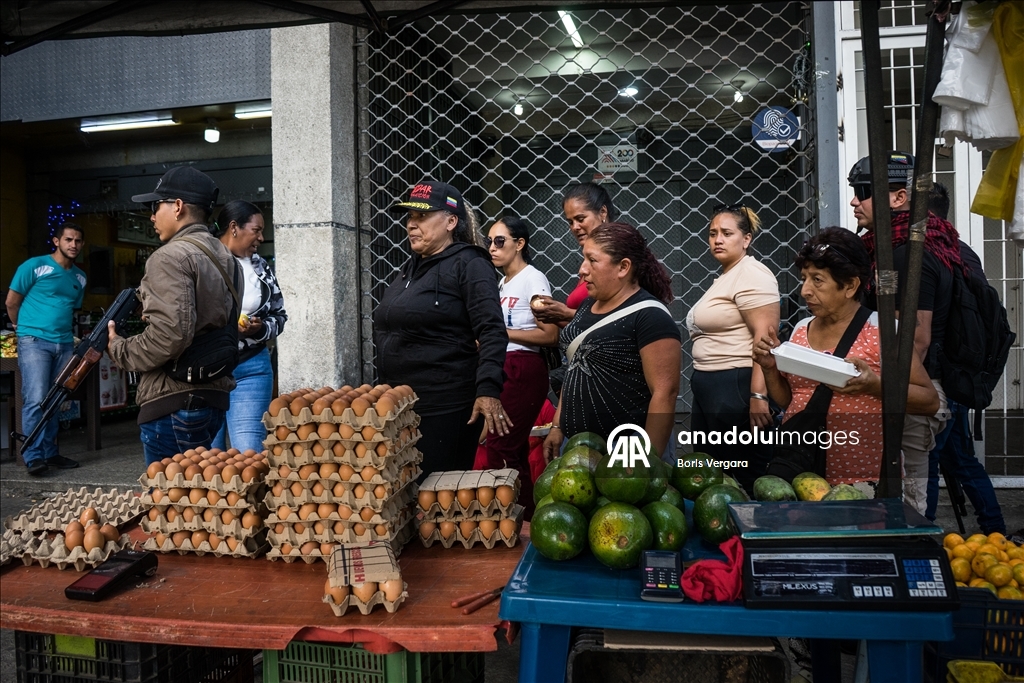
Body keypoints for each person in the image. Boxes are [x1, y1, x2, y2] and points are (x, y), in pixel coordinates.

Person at [753, 228, 939, 491]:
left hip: (861, 479)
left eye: (817, 280)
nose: (805, 290)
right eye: (804, 278)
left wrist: (875, 385)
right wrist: (770, 369)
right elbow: (793, 401)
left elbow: (929, 402)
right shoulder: (800, 330)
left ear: (850, 286)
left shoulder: (882, 331)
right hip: (805, 476)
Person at [373, 180, 509, 477]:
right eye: (410, 216)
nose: (412, 224)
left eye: (422, 216)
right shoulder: (410, 269)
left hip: (445, 407)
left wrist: (488, 389)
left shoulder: (470, 264)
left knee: (435, 495)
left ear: (451, 222)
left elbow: (492, 330)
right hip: (402, 407)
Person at [107, 167, 240, 465]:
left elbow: (170, 336)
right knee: (196, 491)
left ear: (177, 206)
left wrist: (119, 348)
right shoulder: (226, 257)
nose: (152, 217)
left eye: (156, 206)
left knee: (169, 493)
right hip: (214, 397)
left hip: (175, 400)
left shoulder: (168, 257)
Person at [850, 151, 957, 513]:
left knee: (906, 507)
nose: (854, 201)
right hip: (909, 388)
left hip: (910, 394)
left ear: (898, 198)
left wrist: (881, 392)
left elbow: (915, 339)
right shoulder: (920, 243)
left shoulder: (906, 254)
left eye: (863, 192)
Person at [543, 222, 681, 462]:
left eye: (592, 260)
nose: (582, 269)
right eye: (584, 259)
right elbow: (576, 367)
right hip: (577, 446)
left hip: (625, 448)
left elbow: (665, 393)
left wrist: (646, 462)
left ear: (623, 267)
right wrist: (557, 426)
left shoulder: (650, 315)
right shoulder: (587, 306)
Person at [923, 182, 1006, 534]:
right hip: (960, 374)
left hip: (939, 375)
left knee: (925, 462)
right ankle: (995, 530)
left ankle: (922, 537)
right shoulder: (962, 251)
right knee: (960, 459)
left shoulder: (932, 252)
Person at [685, 204, 779, 490]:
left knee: (747, 473)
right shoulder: (728, 276)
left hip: (736, 387)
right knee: (713, 476)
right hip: (711, 389)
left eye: (727, 233)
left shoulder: (752, 274)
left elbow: (765, 340)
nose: (718, 240)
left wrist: (758, 395)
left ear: (746, 239)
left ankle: (759, 519)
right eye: (713, 233)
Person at [478, 216, 559, 517]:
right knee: (508, 448)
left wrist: (500, 334)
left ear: (520, 244)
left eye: (500, 241)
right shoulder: (503, 283)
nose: (492, 248)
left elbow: (550, 334)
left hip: (523, 367)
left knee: (502, 448)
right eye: (489, 241)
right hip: (504, 366)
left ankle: (514, 518)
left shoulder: (532, 279)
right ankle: (526, 517)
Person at [5, 222, 86, 475]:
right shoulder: (34, 266)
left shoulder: (80, 277)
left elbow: (70, 308)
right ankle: (33, 456)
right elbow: (11, 302)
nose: (73, 244)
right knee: (36, 398)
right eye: (68, 239)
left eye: (78, 241)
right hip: (34, 342)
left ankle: (51, 453)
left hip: (64, 343)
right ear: (56, 241)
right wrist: (21, 328)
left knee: (56, 399)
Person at [210, 200, 287, 454]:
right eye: (257, 230)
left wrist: (260, 329)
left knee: (249, 455)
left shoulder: (260, 267)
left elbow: (279, 315)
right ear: (234, 227)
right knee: (207, 457)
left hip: (252, 368)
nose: (261, 238)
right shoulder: (203, 261)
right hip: (207, 371)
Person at [531, 182, 620, 328]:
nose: (575, 227)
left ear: (603, 212)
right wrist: (553, 313)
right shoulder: (588, 259)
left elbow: (621, 318)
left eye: (580, 219)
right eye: (570, 222)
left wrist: (566, 313)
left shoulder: (618, 254)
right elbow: (582, 325)